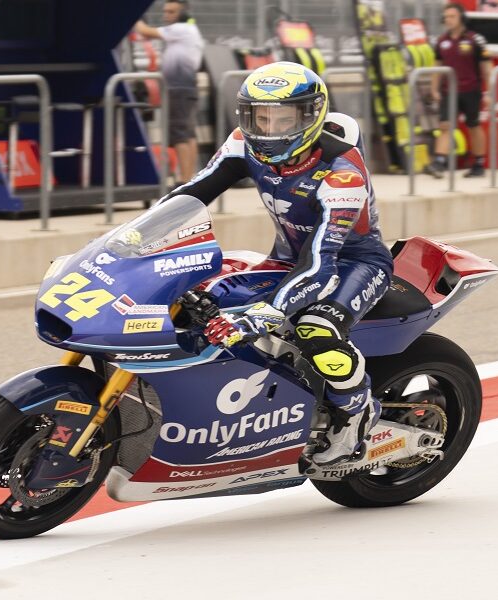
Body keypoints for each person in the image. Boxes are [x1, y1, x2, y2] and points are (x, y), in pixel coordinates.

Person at [160, 62, 394, 466]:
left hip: (353, 263)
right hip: (287, 258)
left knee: (316, 329)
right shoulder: (241, 143)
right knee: (204, 299)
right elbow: (189, 196)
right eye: (260, 118)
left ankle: (356, 413)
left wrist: (264, 315)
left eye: (283, 119)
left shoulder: (342, 175)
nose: (269, 130)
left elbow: (320, 264)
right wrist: (128, 240)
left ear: (311, 115)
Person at [134, 1, 204, 186]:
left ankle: (184, 181)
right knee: (188, 134)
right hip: (184, 87)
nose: (166, 15)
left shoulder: (181, 29)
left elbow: (144, 31)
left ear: (183, 14)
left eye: (171, 12)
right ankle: (190, 180)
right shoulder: (187, 30)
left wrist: (134, 17)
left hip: (179, 88)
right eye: (165, 11)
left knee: (180, 135)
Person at [425, 3, 493, 179]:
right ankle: (439, 162)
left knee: (473, 126)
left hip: (471, 90)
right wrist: (434, 89)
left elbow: (486, 67)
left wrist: (490, 92)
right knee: (445, 125)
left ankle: (479, 163)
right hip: (449, 91)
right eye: (446, 17)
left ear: (461, 18)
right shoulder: (441, 41)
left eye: (452, 16)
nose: (448, 20)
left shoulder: (475, 39)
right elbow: (437, 66)